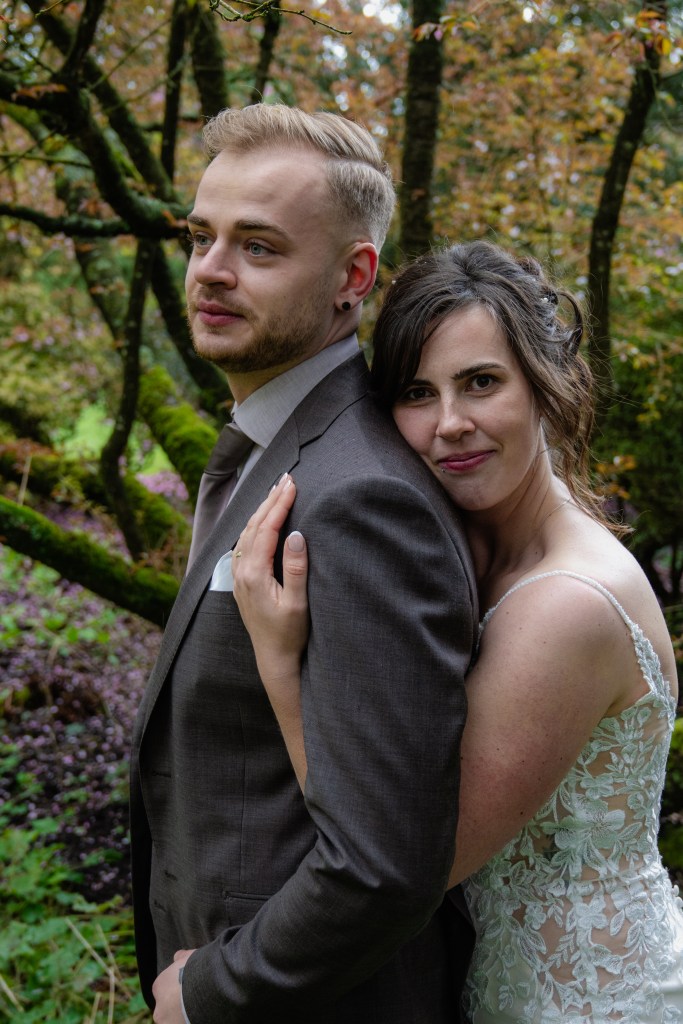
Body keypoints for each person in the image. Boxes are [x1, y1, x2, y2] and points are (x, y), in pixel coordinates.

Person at [232, 240, 683, 1023]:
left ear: (545, 383)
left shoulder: (567, 605)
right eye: (417, 392)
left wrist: (278, 663)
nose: (449, 424)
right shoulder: (480, 554)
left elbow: (410, 861)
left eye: (480, 382)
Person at [129, 103, 479, 1024]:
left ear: (351, 278)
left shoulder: (361, 497)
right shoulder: (272, 451)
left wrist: (210, 993)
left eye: (258, 247)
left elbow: (385, 861)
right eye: (201, 236)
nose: (210, 269)